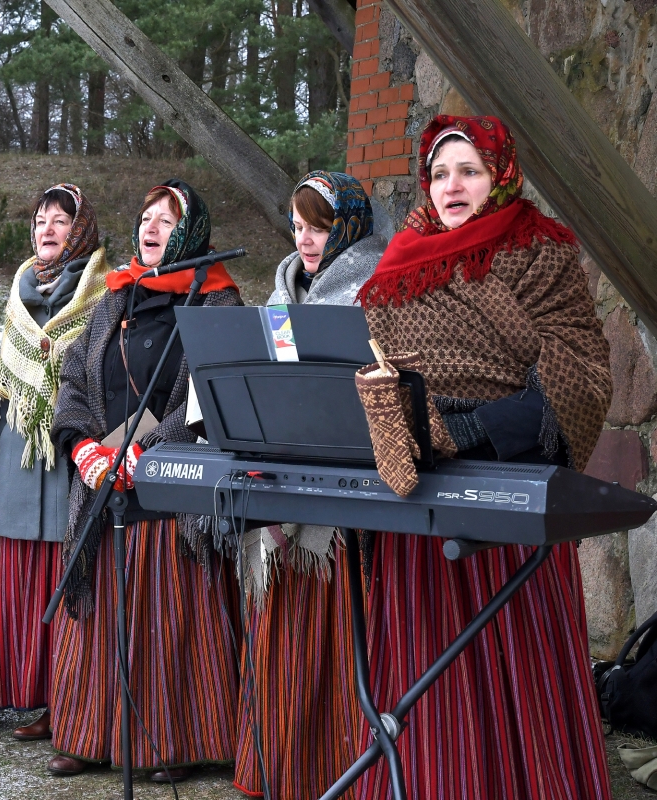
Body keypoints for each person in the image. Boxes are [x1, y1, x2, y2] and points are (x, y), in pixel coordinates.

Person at [354, 115, 612, 798]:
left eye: (469, 171)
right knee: (424, 656)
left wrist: (479, 428)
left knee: (519, 651)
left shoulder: (540, 251)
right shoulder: (395, 267)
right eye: (440, 173)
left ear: (500, 175)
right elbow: (367, 360)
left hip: (510, 489)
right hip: (419, 492)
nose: (452, 186)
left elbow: (582, 367)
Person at [47, 179, 242, 782]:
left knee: (167, 615)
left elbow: (206, 395)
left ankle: (173, 740)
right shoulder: (116, 296)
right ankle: (89, 734)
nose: (151, 228)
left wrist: (145, 454)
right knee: (100, 613)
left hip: (169, 487)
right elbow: (74, 379)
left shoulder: (217, 301)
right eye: (146, 217)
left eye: (167, 219)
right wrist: (83, 447)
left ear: (190, 232)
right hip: (102, 483)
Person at [232, 172, 384, 798]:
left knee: (337, 638)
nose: (305, 240)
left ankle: (338, 770)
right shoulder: (280, 295)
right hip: (282, 482)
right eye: (297, 227)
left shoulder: (376, 290)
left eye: (318, 227)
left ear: (346, 227)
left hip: (345, 501)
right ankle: (281, 769)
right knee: (284, 637)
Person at [0, 183, 111, 741]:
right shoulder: (17, 295)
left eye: (60, 220)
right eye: (40, 220)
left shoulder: (104, 292)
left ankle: (71, 698)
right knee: (23, 580)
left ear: (80, 231)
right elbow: (6, 386)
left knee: (69, 575)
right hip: (22, 455)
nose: (47, 229)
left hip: (70, 454)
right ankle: (33, 690)